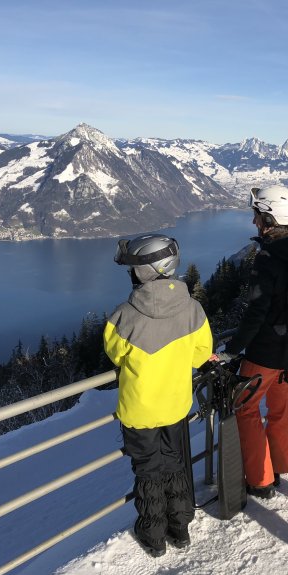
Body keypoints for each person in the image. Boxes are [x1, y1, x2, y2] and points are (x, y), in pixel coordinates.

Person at [104, 234, 213, 557]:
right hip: (177, 406)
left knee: (148, 471)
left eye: (134, 268)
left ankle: (153, 536)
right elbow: (201, 355)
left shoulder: (123, 315)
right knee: (176, 464)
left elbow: (115, 354)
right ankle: (180, 529)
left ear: (144, 272)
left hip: (139, 412)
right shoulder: (193, 310)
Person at [217, 185, 288, 499]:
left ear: (268, 217)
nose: (254, 222)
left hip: (266, 350)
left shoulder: (268, 257)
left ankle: (260, 480)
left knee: (245, 408)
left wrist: (231, 350)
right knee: (281, 408)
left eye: (256, 215)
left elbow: (257, 312)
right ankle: (279, 467)